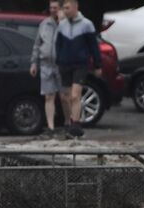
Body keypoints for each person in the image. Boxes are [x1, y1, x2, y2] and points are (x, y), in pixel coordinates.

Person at [55, 0, 100, 139]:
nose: (66, 11)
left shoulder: (86, 24)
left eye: (68, 8)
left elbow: (94, 46)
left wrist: (98, 64)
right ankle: (69, 123)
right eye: (64, 8)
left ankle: (76, 124)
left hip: (80, 64)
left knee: (75, 95)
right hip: (65, 64)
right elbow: (59, 44)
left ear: (75, 7)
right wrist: (59, 60)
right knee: (66, 97)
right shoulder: (62, 25)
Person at [29, 1, 61, 135]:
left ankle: (69, 122)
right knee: (49, 96)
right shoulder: (44, 24)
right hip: (46, 64)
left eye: (55, 8)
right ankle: (50, 126)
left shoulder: (65, 24)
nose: (52, 10)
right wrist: (34, 63)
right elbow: (37, 44)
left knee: (65, 96)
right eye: (51, 8)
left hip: (61, 64)